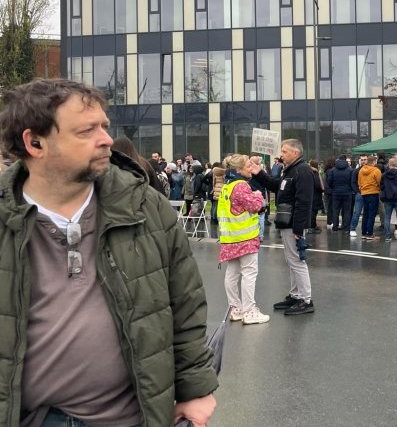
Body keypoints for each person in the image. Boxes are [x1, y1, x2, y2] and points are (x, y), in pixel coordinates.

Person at [0, 79, 218, 426]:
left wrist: (196, 391)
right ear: (35, 142)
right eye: (87, 130)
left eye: (105, 126)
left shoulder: (146, 207)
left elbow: (185, 306)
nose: (105, 139)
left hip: (129, 417)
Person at [249, 139, 316, 316]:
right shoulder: (291, 171)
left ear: (296, 152)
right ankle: (296, 295)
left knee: (297, 261)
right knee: (292, 260)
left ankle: (305, 300)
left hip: (294, 224)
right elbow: (277, 186)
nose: (281, 154)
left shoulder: (302, 171)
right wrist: (259, 173)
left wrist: (298, 229)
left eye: (285, 151)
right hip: (288, 222)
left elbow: (304, 202)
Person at [218, 154, 269, 325]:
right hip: (245, 238)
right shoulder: (241, 186)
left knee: (232, 274)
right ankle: (249, 311)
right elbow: (255, 206)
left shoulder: (228, 185)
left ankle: (236, 308)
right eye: (248, 165)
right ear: (239, 169)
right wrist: (258, 195)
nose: (251, 167)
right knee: (249, 273)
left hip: (230, 238)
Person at [357, 155, 382, 240]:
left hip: (364, 193)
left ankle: (364, 233)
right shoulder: (376, 170)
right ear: (374, 162)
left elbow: (359, 182)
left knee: (366, 213)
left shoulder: (361, 170)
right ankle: (370, 234)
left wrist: (362, 189)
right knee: (372, 214)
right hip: (373, 193)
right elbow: (379, 182)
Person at [326, 155, 353, 231]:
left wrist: (334, 188)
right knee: (347, 211)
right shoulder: (350, 170)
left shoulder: (332, 170)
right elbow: (352, 182)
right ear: (345, 160)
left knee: (335, 210)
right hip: (347, 193)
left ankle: (335, 226)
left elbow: (329, 182)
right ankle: (346, 227)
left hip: (336, 193)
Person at [348, 153, 369, 237]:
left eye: (365, 159)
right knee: (357, 212)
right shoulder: (356, 171)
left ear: (367, 160)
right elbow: (352, 182)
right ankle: (352, 228)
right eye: (362, 160)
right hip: (360, 194)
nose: (363, 161)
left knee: (367, 213)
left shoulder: (371, 169)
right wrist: (357, 191)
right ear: (360, 160)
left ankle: (365, 229)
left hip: (369, 193)